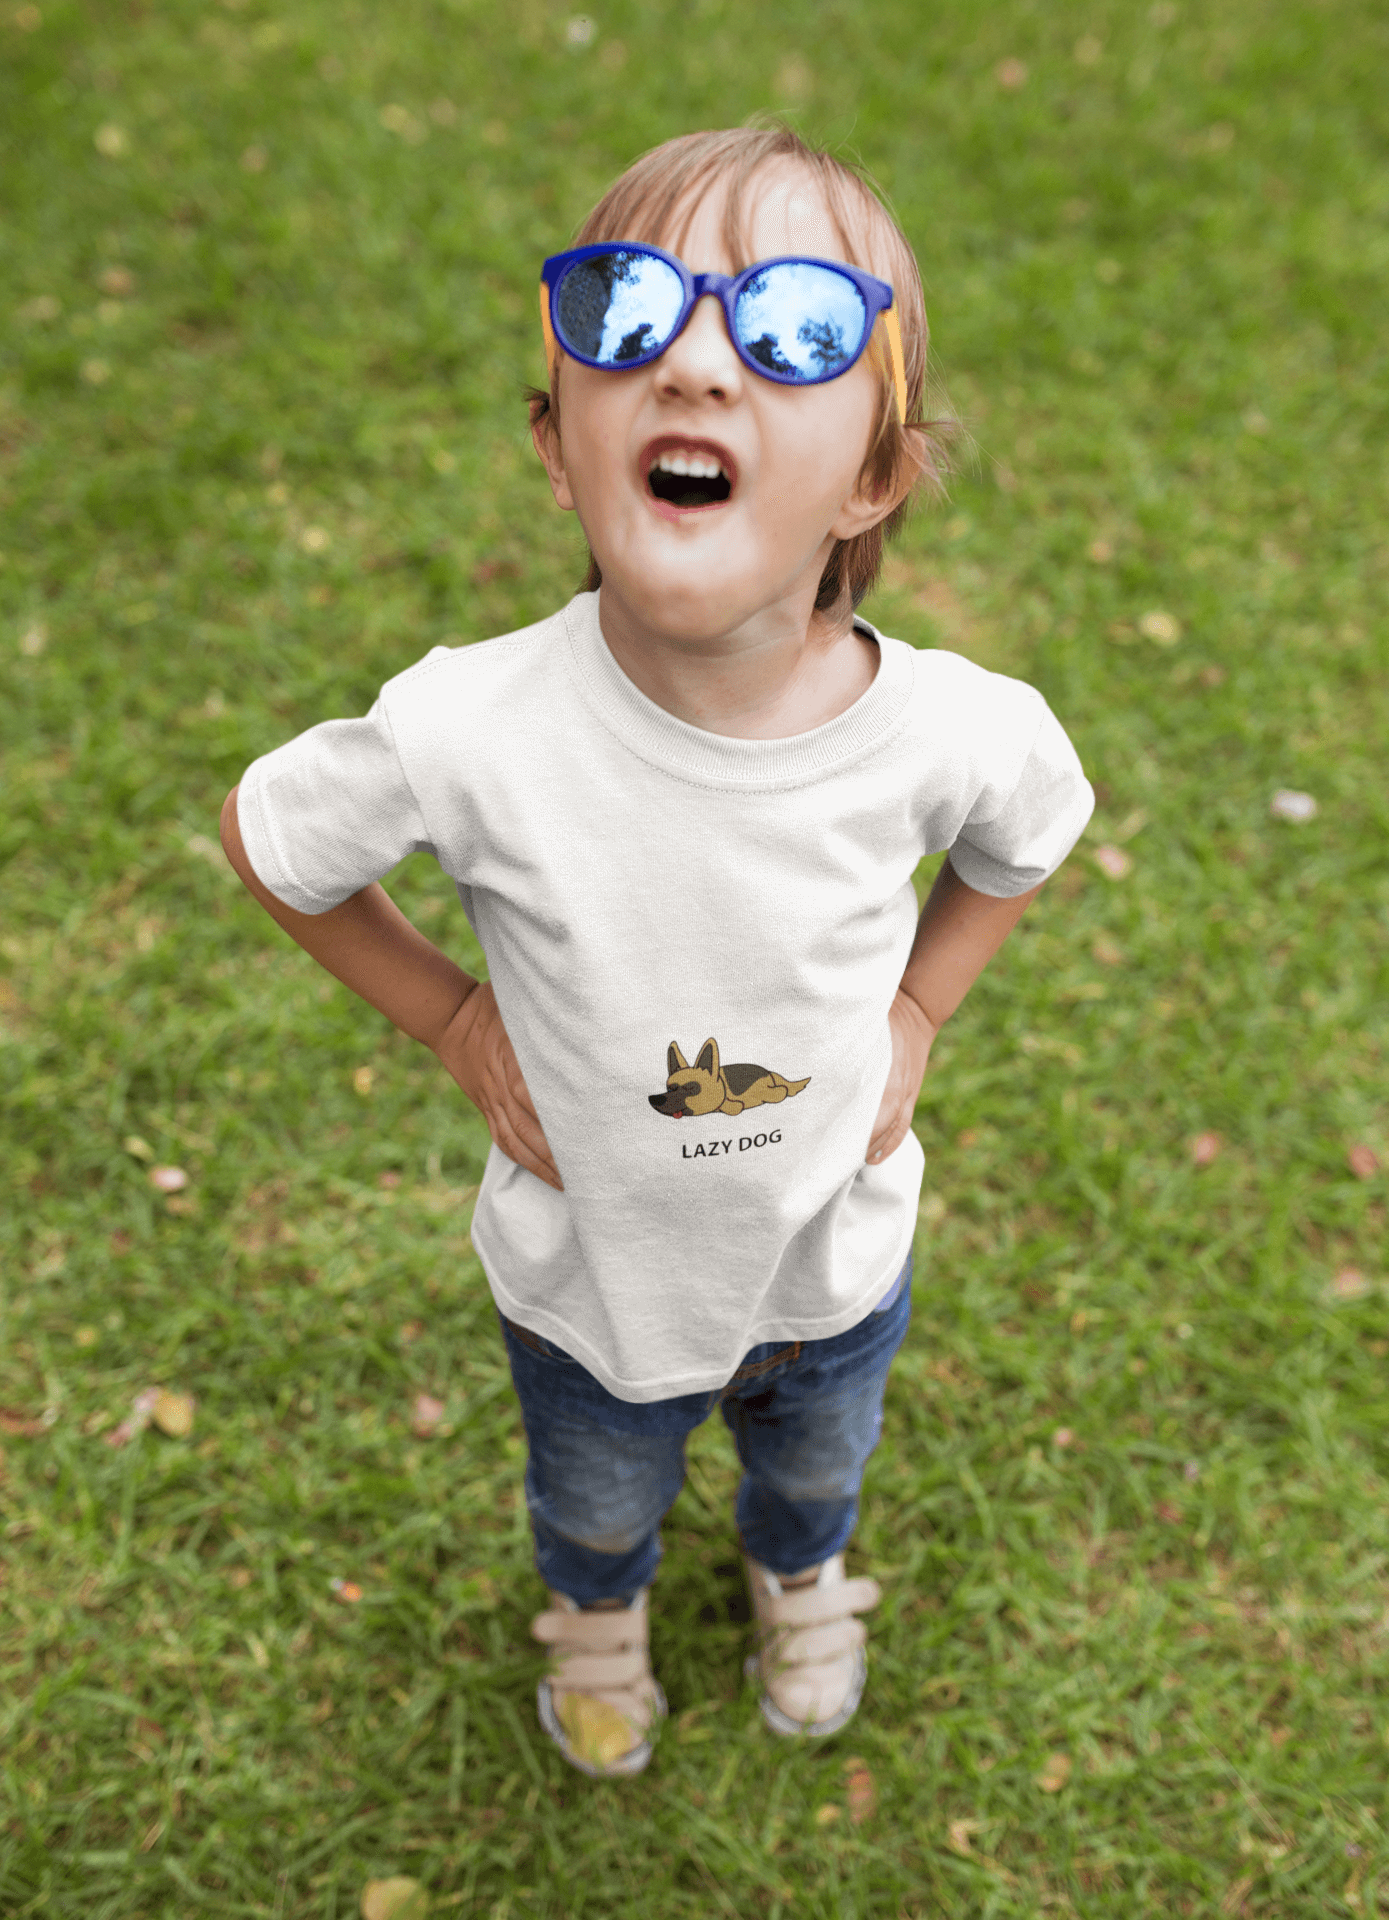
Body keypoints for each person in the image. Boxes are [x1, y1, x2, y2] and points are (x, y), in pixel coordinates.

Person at [220, 125, 1094, 1780]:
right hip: (587, 1294)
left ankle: (802, 1570)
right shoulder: (471, 730)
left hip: (832, 1267)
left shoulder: (953, 730)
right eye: (628, 308)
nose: (697, 359)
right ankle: (600, 1616)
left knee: (815, 1466)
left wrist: (918, 1006)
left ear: (875, 473)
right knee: (595, 1495)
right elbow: (275, 844)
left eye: (797, 328)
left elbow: (1025, 839)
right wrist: (454, 1024)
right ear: (561, 444)